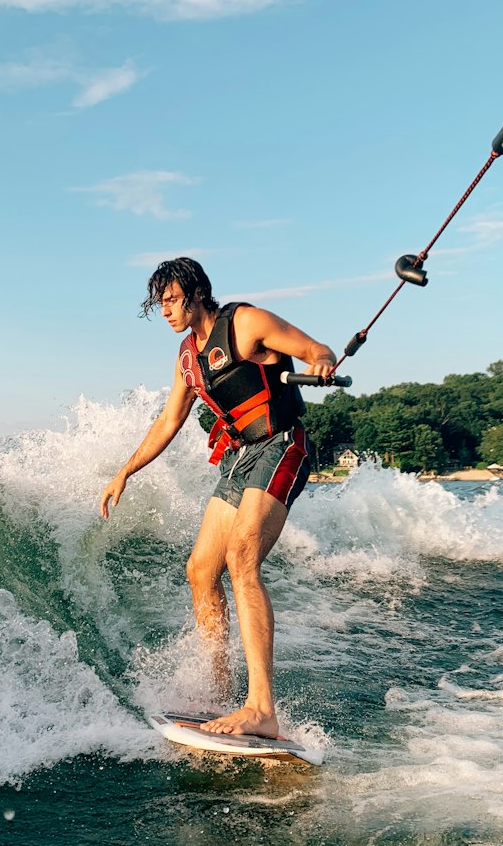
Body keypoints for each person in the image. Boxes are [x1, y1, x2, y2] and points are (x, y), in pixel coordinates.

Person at [99, 257, 337, 738]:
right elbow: (168, 422)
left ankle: (261, 709)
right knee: (201, 570)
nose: (163, 311)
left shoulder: (245, 323)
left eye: (169, 300)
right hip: (238, 458)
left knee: (241, 558)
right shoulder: (187, 358)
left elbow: (315, 347)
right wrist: (124, 470)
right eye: (158, 303)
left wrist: (322, 361)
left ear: (195, 293)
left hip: (281, 444)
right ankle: (218, 691)